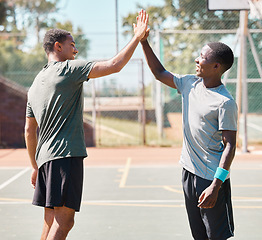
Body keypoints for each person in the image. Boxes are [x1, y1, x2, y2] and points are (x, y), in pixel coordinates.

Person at [24, 10, 148, 240]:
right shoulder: (69, 70)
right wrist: (137, 38)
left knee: (50, 220)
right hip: (65, 156)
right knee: (64, 222)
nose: (76, 49)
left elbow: (29, 131)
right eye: (72, 44)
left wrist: (34, 165)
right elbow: (114, 65)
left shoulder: (35, 84)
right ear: (58, 47)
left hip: (44, 160)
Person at [140, 30, 237, 239]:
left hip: (210, 179)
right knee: (199, 235)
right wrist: (143, 41)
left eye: (202, 57)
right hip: (188, 172)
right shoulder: (189, 83)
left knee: (216, 236)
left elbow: (230, 145)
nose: (197, 59)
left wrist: (216, 185)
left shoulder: (225, 102)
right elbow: (159, 72)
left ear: (216, 66)